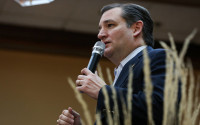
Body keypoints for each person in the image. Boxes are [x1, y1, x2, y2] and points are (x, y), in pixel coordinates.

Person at [57, 3, 167, 125]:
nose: (100, 35)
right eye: (100, 29)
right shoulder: (120, 73)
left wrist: (103, 92)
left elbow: (159, 108)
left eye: (110, 25)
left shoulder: (158, 57)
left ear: (136, 28)